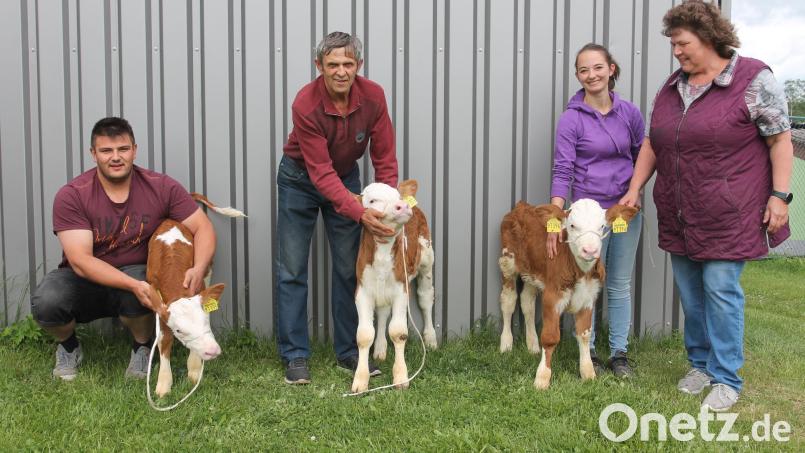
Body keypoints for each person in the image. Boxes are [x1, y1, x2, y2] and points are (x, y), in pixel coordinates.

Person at [621, 0, 793, 412]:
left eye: (682, 43)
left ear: (709, 37)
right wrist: (635, 188)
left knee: (720, 291)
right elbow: (653, 143)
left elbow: (780, 139)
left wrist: (780, 195)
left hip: (729, 212)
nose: (676, 51)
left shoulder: (753, 78)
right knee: (691, 295)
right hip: (680, 211)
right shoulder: (671, 87)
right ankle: (699, 365)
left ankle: (726, 377)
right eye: (673, 45)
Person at [30, 117, 216, 381]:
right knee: (48, 301)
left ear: (134, 150)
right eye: (106, 150)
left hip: (136, 272)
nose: (115, 157)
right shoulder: (73, 195)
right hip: (84, 278)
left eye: (123, 149)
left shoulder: (160, 186)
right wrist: (132, 285)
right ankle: (68, 346)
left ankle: (141, 347)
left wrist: (198, 268)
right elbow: (81, 261)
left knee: (147, 285)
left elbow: (203, 227)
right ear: (93, 154)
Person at [276, 31, 398, 385]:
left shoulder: (373, 96)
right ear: (319, 66)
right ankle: (295, 355)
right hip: (300, 179)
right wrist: (360, 212)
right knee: (292, 270)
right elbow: (320, 172)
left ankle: (349, 350)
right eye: (332, 65)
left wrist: (386, 204)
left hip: (346, 176)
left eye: (348, 63)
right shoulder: (305, 103)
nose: (341, 71)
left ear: (359, 64)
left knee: (349, 268)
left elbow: (384, 157)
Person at [548, 43, 645, 379]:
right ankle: (587, 351)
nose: (592, 75)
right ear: (578, 76)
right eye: (584, 70)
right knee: (586, 283)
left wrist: (635, 192)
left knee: (618, 283)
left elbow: (642, 157)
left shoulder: (630, 113)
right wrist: (554, 221)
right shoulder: (571, 119)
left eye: (598, 67)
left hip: (622, 212)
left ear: (611, 69)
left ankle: (619, 354)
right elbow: (562, 170)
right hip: (587, 217)